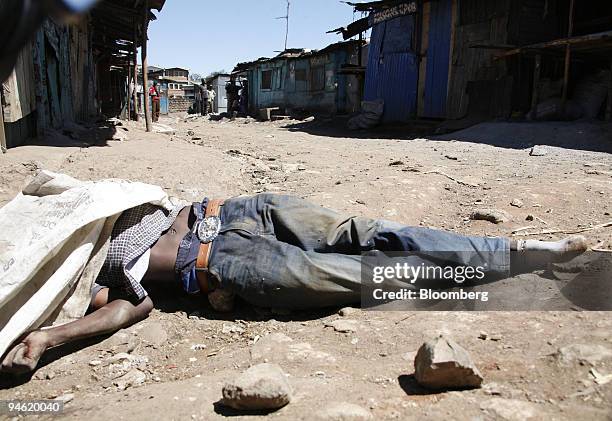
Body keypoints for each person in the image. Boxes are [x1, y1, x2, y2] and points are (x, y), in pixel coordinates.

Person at [0, 192, 588, 373]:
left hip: (237, 212)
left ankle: (515, 248)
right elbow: (126, 311)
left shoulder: (104, 206)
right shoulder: (87, 274)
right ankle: (494, 272)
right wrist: (50, 339)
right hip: (225, 268)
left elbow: (98, 193)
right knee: (356, 275)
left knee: (367, 229)